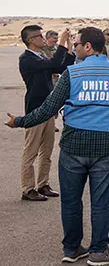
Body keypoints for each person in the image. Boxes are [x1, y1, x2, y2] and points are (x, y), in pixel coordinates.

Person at [6, 27, 109, 265]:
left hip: (73, 145)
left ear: (88, 47)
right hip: (105, 146)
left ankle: (72, 248)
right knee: (101, 202)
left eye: (76, 44)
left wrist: (20, 122)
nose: (73, 48)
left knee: (71, 200)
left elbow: (48, 109)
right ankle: (99, 250)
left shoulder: (72, 73)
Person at [17, 24, 73, 202]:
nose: (43, 39)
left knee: (46, 150)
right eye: (40, 36)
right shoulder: (27, 59)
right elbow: (55, 64)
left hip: (48, 109)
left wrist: (69, 48)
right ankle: (28, 189)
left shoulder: (40, 57)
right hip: (35, 109)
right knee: (31, 151)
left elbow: (61, 67)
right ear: (31, 40)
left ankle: (43, 184)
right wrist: (62, 42)